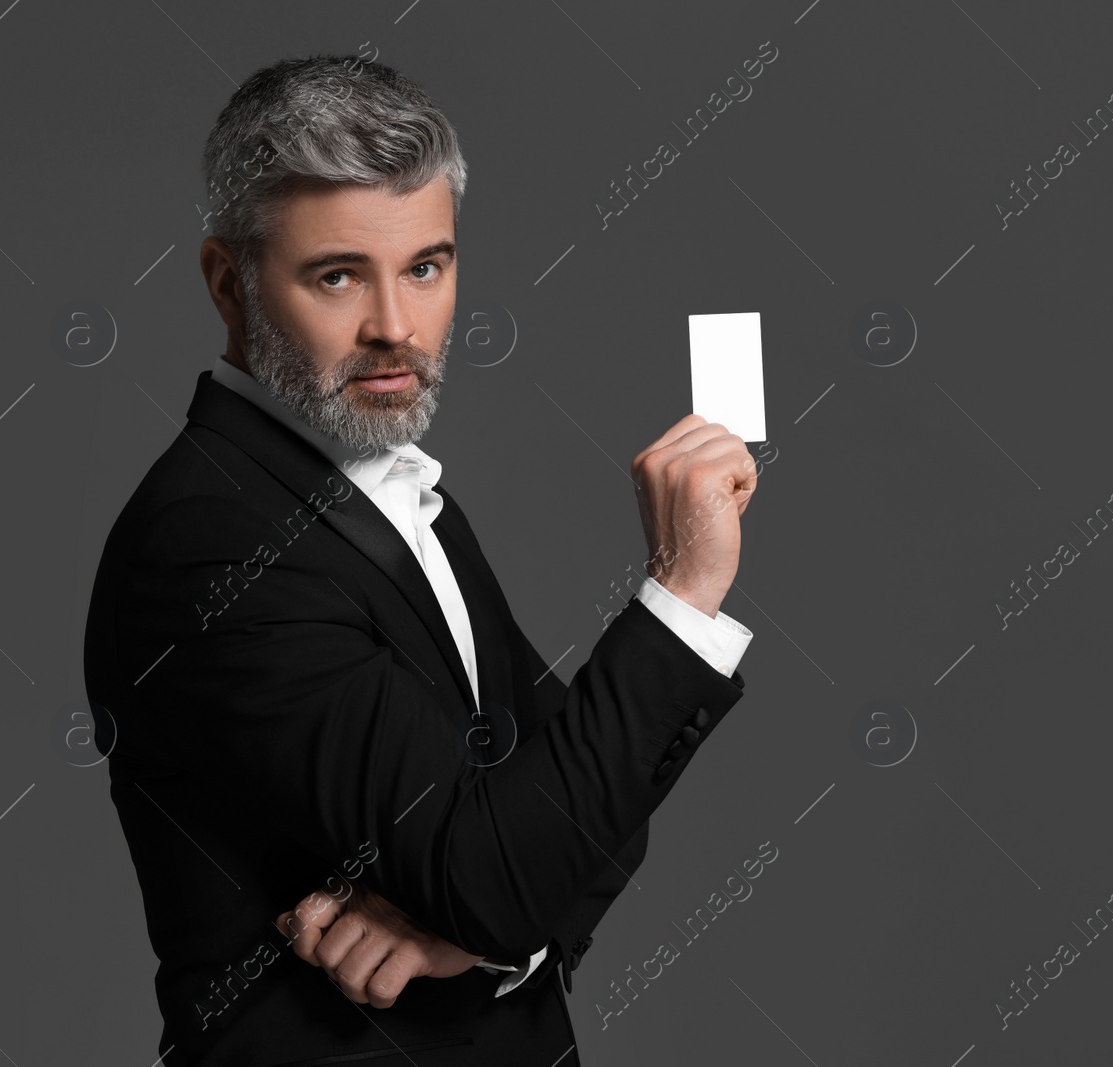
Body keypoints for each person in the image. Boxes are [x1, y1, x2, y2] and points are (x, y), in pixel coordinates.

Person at [83, 53, 758, 1066]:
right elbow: (514, 855)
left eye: (426, 266)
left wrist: (477, 932)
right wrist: (682, 586)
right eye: (337, 274)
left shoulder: (388, 487)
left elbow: (585, 811)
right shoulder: (213, 544)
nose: (395, 328)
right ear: (229, 282)